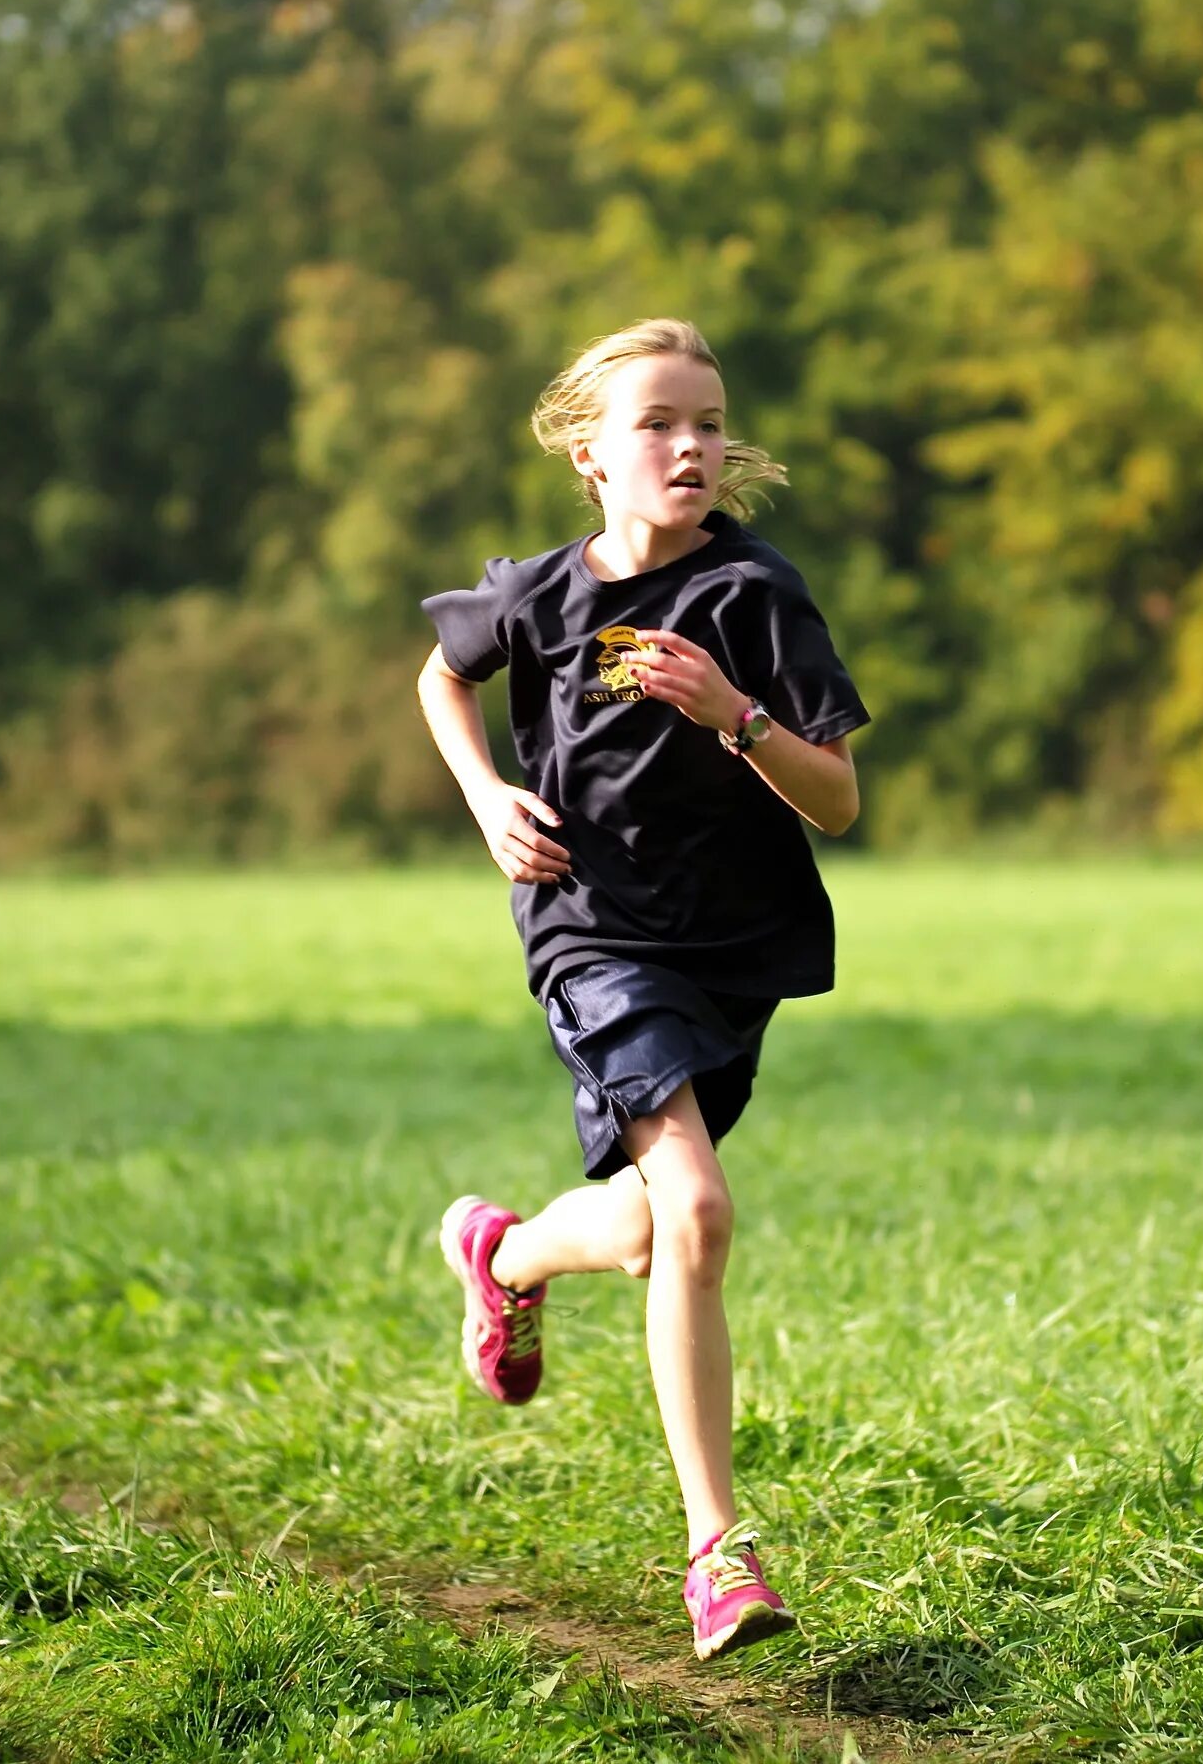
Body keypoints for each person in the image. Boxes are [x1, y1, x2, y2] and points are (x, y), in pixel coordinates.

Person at [415, 317, 868, 1661]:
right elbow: (443, 675)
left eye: (710, 423)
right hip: (591, 934)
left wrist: (733, 715)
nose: (694, 446)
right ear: (590, 453)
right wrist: (487, 794)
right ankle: (718, 1554)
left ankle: (501, 1253)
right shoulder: (542, 595)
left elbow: (837, 800)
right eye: (663, 423)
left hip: (733, 953)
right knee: (702, 1209)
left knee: (649, 1230)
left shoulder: (756, 596)